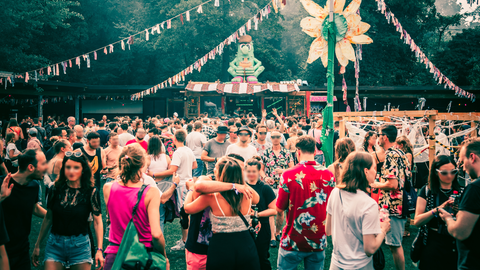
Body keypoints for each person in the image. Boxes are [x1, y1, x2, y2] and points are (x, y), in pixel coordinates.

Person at [184, 156, 261, 270]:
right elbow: (257, 199)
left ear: (221, 173)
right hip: (246, 244)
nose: (214, 170)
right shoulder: (248, 194)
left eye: (216, 168)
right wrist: (238, 183)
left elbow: (187, 208)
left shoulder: (212, 197)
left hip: (221, 246)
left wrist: (190, 190)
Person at [31, 151, 104, 269]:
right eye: (68, 167)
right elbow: (48, 217)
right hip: (55, 244)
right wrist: (37, 244)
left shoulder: (91, 192)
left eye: (76, 168)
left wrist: (99, 249)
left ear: (83, 170)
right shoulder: (55, 188)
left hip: (80, 246)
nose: (71, 171)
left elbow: (97, 221)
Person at [102, 144, 168, 270]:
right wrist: (164, 256)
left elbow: (111, 218)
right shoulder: (150, 192)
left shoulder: (108, 188)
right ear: (142, 165)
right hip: (141, 255)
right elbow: (156, 234)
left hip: (114, 254)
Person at [276, 135, 335, 270]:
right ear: (315, 152)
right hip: (318, 239)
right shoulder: (328, 175)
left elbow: (280, 208)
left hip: (292, 239)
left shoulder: (288, 174)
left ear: (298, 152)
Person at [326, 151, 391, 270]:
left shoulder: (335, 192)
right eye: (374, 168)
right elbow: (370, 249)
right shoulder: (369, 204)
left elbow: (328, 230)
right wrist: (383, 230)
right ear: (366, 171)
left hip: (336, 263)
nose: (376, 172)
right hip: (360, 265)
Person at [369, 124, 410, 270]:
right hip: (396, 203)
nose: (377, 137)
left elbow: (393, 184)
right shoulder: (400, 153)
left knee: (394, 245)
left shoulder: (391, 154)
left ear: (385, 137)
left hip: (394, 205)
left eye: (379, 134)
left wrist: (375, 184)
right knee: (392, 244)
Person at [1, 149, 47, 270]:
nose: (46, 167)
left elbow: (33, 207)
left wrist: (53, 215)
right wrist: (1, 197)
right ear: (31, 167)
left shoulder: (34, 186)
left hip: (22, 248)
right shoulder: (3, 183)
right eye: (43, 164)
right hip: (3, 249)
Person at [439, 138, 480, 270]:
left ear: (472, 157)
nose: (462, 166)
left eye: (462, 161)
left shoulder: (475, 188)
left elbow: (460, 232)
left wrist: (448, 218)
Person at [413, 155, 460, 270]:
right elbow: (417, 221)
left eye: (453, 171)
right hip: (432, 241)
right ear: (435, 172)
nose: (449, 175)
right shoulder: (427, 190)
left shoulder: (463, 191)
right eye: (444, 173)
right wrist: (436, 210)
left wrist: (459, 211)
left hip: (455, 242)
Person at [153, 129, 197, 251]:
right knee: (186, 212)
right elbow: (195, 165)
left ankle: (185, 241)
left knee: (184, 213)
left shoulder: (178, 152)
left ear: (174, 139)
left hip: (181, 184)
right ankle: (186, 239)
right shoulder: (188, 150)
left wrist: (154, 174)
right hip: (188, 182)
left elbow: (172, 170)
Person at [261, 130, 294, 247]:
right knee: (271, 211)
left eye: (277, 137)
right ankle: (272, 237)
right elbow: (261, 169)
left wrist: (283, 171)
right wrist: (265, 177)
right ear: (270, 138)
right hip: (270, 186)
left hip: (283, 185)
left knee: (280, 211)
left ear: (281, 138)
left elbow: (292, 169)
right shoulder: (266, 152)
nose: (275, 139)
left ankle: (278, 232)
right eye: (273, 137)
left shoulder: (287, 152)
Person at [245, 156, 277, 270]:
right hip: (244, 229)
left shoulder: (265, 188)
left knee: (261, 258)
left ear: (259, 171)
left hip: (262, 228)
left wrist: (256, 214)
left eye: (254, 171)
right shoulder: (242, 187)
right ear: (245, 171)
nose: (251, 174)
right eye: (248, 171)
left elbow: (274, 210)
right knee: (246, 259)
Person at [145, 135, 174, 232]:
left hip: (151, 188)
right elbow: (171, 171)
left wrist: (153, 174)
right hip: (164, 188)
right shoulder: (166, 157)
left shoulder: (147, 158)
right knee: (160, 216)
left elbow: (144, 174)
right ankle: (159, 238)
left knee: (149, 215)